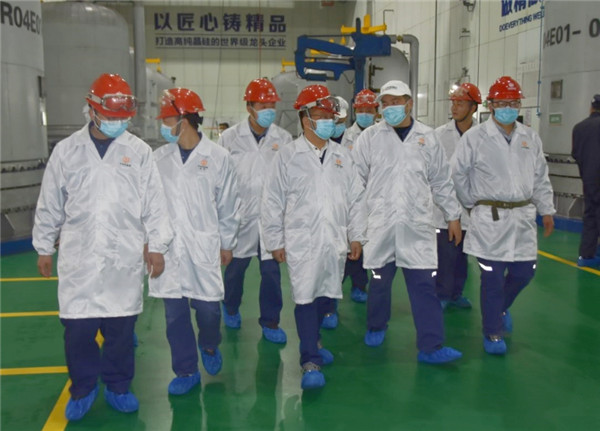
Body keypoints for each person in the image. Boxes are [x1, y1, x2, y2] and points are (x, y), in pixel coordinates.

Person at [32, 73, 173, 420]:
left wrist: (157, 245)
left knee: (120, 331)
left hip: (122, 257)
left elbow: (155, 203)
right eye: (110, 116)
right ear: (92, 110)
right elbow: (50, 201)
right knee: (77, 330)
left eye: (122, 118)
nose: (116, 123)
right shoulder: (67, 151)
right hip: (79, 258)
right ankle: (83, 388)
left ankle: (118, 386)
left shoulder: (138, 152)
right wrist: (44, 246)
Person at [261, 84, 366, 389]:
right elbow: (272, 201)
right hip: (302, 241)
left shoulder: (342, 157)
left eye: (330, 116)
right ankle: (309, 360)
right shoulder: (287, 156)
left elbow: (356, 199)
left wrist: (357, 235)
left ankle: (314, 341)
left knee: (327, 294)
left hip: (335, 240)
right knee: (305, 296)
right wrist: (275, 241)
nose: (327, 121)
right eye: (320, 115)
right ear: (305, 118)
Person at [353, 80, 463, 364]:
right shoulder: (370, 138)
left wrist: (453, 216)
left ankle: (431, 346)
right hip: (380, 225)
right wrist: (354, 226)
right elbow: (355, 184)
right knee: (379, 283)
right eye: (385, 102)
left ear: (410, 103)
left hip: (416, 225)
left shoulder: (427, 137)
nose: (390, 107)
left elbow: (441, 180)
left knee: (424, 285)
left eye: (396, 101)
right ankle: (376, 325)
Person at [452, 76, 555, 355]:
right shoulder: (475, 138)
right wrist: (472, 202)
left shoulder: (530, 137)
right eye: (501, 103)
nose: (507, 107)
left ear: (519, 104)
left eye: (512, 102)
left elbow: (540, 177)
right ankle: (493, 331)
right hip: (489, 217)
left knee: (524, 272)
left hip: (522, 215)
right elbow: (458, 174)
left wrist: (546, 209)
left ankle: (499, 308)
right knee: (492, 278)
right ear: (491, 105)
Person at [149, 88, 240, 395]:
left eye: (167, 119)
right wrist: (151, 245)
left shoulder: (218, 158)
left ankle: (210, 344)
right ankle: (186, 370)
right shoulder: (158, 159)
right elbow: (150, 206)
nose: (163, 126)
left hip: (204, 246)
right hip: (169, 249)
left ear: (183, 119)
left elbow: (229, 204)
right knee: (174, 316)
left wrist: (227, 243)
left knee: (209, 311)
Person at [218, 78, 292, 343]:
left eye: (271, 104)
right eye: (262, 105)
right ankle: (230, 306)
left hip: (271, 219)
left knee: (271, 274)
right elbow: (221, 180)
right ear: (249, 107)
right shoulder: (229, 138)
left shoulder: (284, 139)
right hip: (240, 218)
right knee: (235, 271)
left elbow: (289, 180)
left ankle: (271, 321)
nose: (268, 110)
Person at [433, 83, 482, 310]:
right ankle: (442, 294)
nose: (454, 107)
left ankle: (456, 293)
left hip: (473, 207)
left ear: (473, 108)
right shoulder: (439, 135)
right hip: (444, 207)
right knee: (446, 255)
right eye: (453, 103)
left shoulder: (483, 136)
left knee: (463, 255)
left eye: (460, 103)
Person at [572, 94, 600, 268]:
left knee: (590, 215)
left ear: (591, 107)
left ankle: (586, 255)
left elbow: (575, 153)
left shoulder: (579, 127)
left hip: (588, 180)